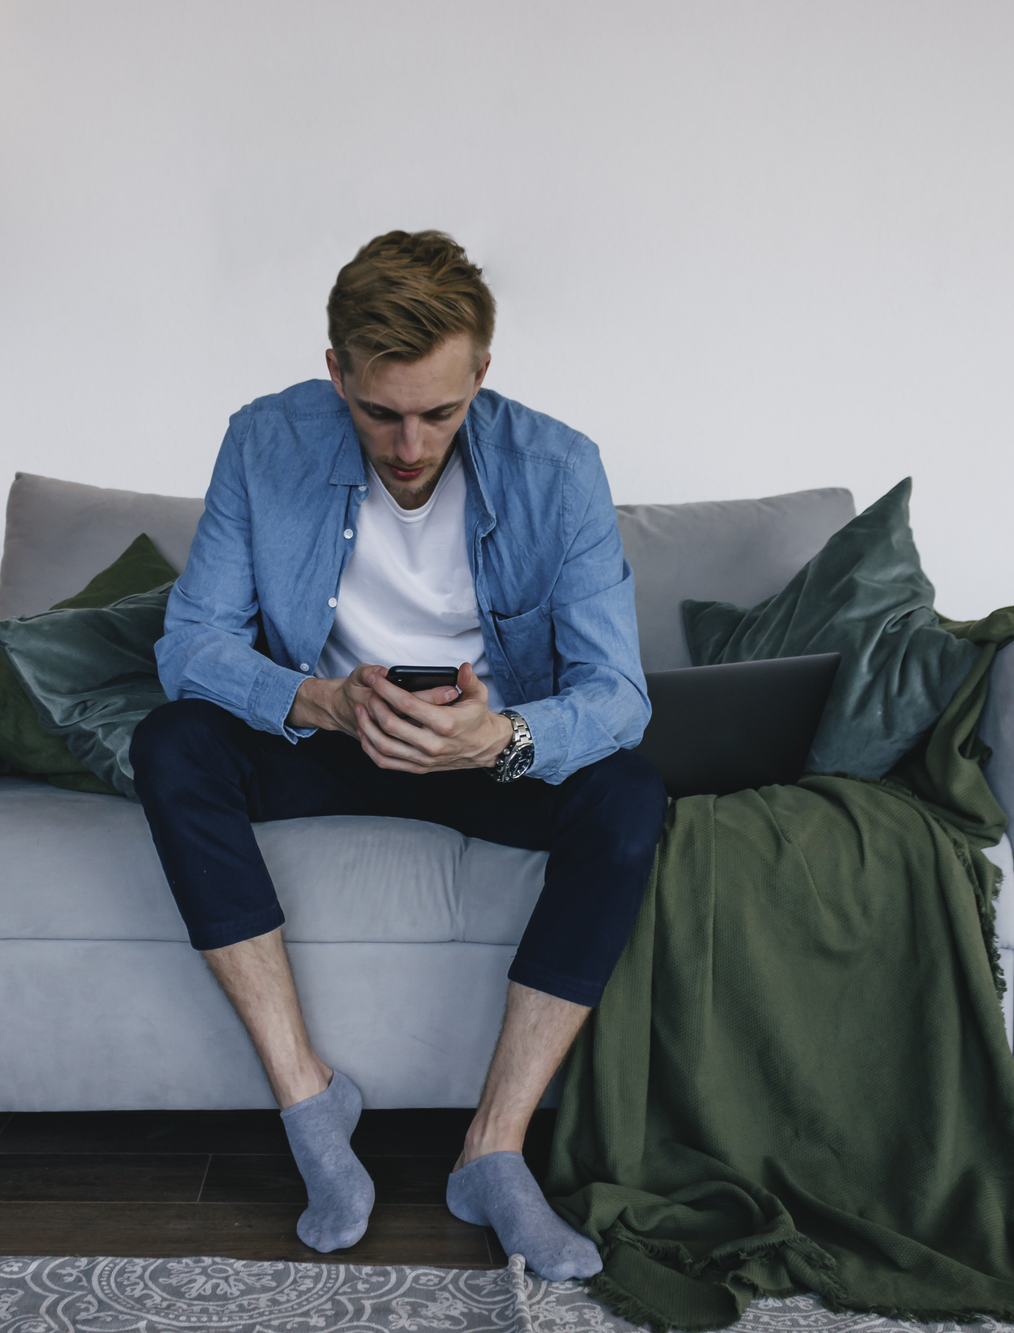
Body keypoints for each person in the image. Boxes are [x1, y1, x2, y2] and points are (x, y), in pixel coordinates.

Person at [131, 230, 666, 1279]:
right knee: (173, 743)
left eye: (439, 412)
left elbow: (617, 696)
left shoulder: (560, 467)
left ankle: (493, 1148)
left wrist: (500, 735)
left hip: (482, 756)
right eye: (380, 412)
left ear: (481, 373)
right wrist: (319, 700)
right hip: (326, 736)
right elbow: (188, 645)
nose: (410, 443)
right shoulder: (262, 440)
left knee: (626, 798)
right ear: (336, 372)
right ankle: (306, 1095)